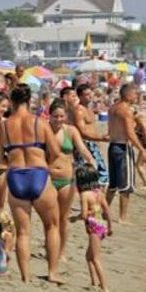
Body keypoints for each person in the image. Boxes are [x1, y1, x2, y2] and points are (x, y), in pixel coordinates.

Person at [0, 84, 63, 284]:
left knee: (23, 231)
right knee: (52, 226)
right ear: (29, 100)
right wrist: (45, 164)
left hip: (16, 177)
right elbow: (56, 151)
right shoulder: (38, 123)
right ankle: (53, 272)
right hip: (39, 174)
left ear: (12, 102)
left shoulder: (4, 125)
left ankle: (25, 276)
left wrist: (13, 163)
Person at [48, 98, 95, 260]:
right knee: (51, 218)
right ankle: (52, 247)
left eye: (61, 116)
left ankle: (60, 252)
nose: (58, 120)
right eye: (55, 116)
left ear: (66, 116)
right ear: (49, 115)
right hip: (48, 179)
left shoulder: (71, 131)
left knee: (64, 218)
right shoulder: (44, 130)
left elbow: (82, 148)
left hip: (67, 180)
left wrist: (91, 161)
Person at [106, 84, 146, 223]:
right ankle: (123, 217)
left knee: (113, 184)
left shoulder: (112, 108)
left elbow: (111, 129)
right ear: (128, 95)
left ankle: (105, 212)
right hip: (123, 147)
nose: (136, 97)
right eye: (135, 94)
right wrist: (142, 149)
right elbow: (130, 133)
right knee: (126, 186)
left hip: (112, 146)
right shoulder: (126, 110)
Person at [77, 164, 112, 291]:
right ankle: (94, 283)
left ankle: (104, 287)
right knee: (89, 256)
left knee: (96, 258)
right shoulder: (100, 193)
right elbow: (106, 210)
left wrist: (74, 218)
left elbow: (84, 214)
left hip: (93, 227)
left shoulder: (85, 195)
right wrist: (110, 226)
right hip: (102, 225)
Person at [71, 84, 109, 187]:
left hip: (92, 144)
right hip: (84, 145)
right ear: (80, 97)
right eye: (86, 95)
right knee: (89, 176)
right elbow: (82, 132)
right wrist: (101, 138)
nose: (90, 96)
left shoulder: (89, 108)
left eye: (90, 94)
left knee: (99, 176)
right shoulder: (79, 110)